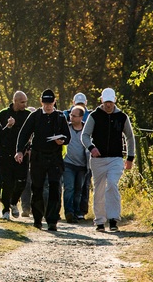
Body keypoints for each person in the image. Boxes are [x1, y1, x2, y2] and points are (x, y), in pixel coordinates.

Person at [80, 88, 136, 232]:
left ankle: (113, 220)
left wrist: (130, 157)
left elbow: (130, 137)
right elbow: (85, 135)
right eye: (106, 102)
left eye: (110, 102)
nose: (108, 105)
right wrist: (91, 148)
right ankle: (99, 221)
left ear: (114, 101)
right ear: (102, 101)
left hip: (116, 158)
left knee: (112, 184)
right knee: (98, 189)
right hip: (98, 160)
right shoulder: (94, 116)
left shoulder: (122, 117)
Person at [15, 89, 70, 231]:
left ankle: (52, 220)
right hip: (38, 157)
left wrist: (62, 141)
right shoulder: (35, 116)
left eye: (50, 103)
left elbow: (67, 137)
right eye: (45, 103)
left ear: (54, 102)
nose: (48, 106)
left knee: (55, 188)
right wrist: (19, 151)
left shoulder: (60, 117)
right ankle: (38, 219)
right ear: (41, 102)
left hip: (55, 158)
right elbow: (24, 134)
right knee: (37, 188)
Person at [0, 91, 31, 220]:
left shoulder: (28, 115)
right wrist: (8, 126)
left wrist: (28, 147)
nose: (25, 104)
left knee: (22, 181)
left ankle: (13, 202)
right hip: (5, 153)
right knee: (7, 182)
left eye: (26, 102)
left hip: (22, 153)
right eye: (22, 102)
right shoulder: (3, 114)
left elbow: (32, 133)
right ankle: (5, 209)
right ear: (15, 101)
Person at [63, 92, 91, 220]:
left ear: (81, 117)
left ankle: (77, 211)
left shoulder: (87, 131)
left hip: (83, 165)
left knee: (79, 190)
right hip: (68, 163)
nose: (71, 117)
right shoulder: (65, 128)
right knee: (69, 188)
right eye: (70, 115)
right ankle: (68, 212)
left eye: (74, 116)